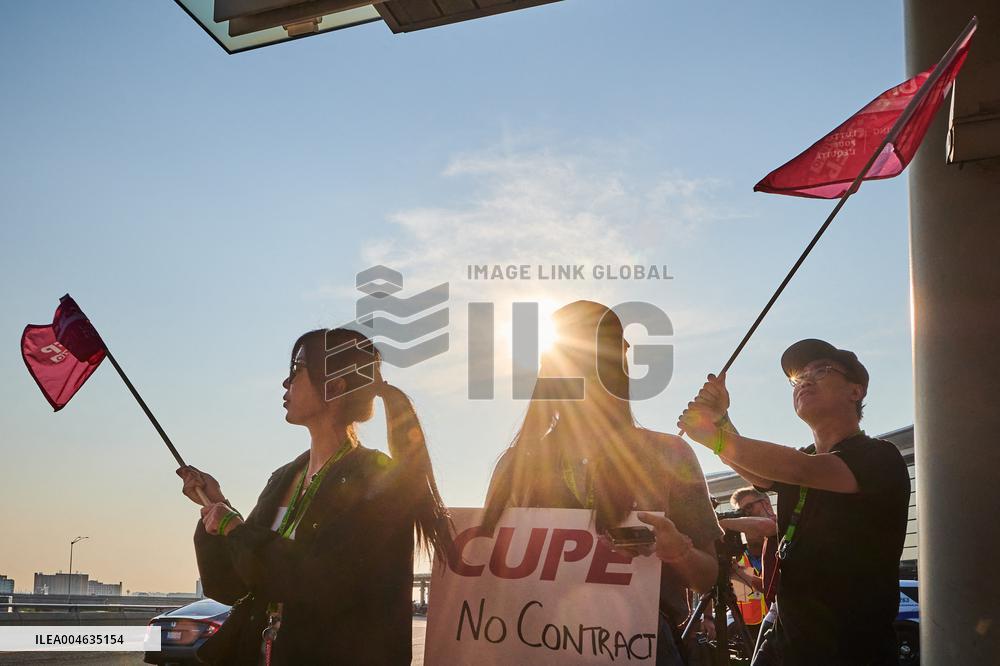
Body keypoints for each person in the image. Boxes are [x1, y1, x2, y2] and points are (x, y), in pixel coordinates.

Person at [176, 327, 452, 665]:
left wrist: (234, 527)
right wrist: (216, 510)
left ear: (334, 387)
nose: (285, 383)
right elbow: (232, 586)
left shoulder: (378, 480)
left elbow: (318, 579)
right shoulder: (284, 477)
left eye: (295, 369)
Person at [483, 300, 723, 666]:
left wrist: (679, 552)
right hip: (532, 643)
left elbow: (707, 576)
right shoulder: (516, 465)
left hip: (643, 647)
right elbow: (486, 574)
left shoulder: (669, 453)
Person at [678, 339, 910, 665]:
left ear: (855, 391)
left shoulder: (878, 457)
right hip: (789, 638)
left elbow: (797, 470)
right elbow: (760, 473)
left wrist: (716, 437)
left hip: (851, 647)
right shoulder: (805, 460)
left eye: (821, 370)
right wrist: (720, 421)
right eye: (798, 378)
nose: (805, 381)